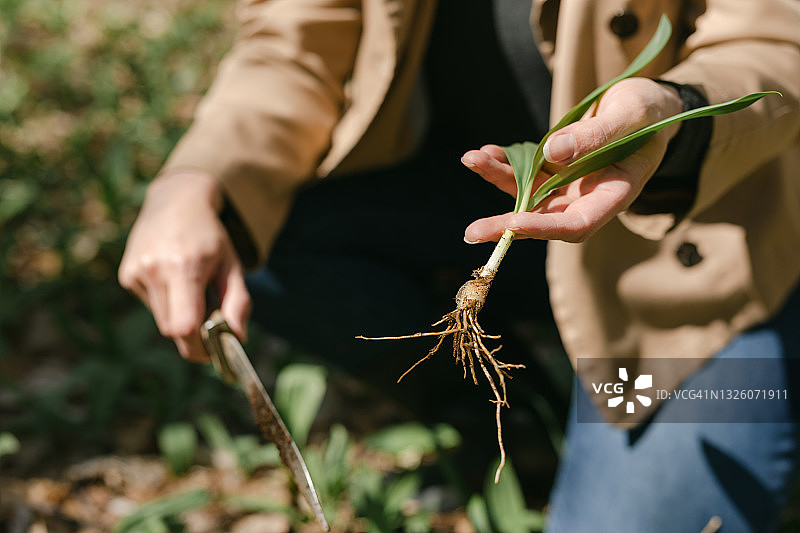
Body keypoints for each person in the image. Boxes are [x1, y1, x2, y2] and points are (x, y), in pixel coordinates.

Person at [118, 0, 800, 531]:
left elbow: (774, 45)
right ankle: (502, 414)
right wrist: (200, 175)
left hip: (681, 245)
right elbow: (294, 43)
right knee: (252, 228)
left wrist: (670, 119)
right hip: (468, 208)